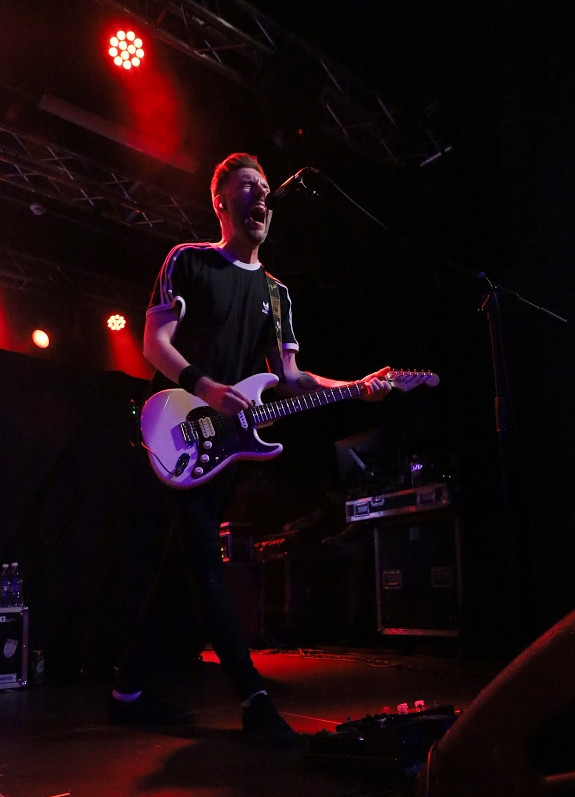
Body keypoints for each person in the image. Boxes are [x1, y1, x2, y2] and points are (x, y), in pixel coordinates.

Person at [110, 152, 391, 747]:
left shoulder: (276, 293)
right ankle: (254, 699)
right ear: (220, 201)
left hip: (226, 448)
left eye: (264, 189)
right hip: (177, 428)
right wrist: (206, 387)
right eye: (247, 186)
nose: (261, 196)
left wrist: (356, 387)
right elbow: (154, 343)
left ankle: (128, 691)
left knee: (180, 568)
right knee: (205, 565)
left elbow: (289, 378)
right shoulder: (187, 261)